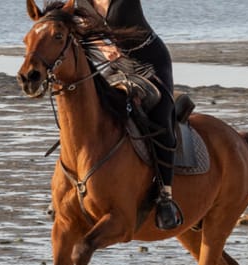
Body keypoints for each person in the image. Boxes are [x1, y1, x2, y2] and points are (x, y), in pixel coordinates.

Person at [76, 0, 182, 230]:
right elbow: (84, 31)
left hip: (149, 61)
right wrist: (104, 49)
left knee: (161, 120)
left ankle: (165, 197)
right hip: (116, 64)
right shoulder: (80, 2)